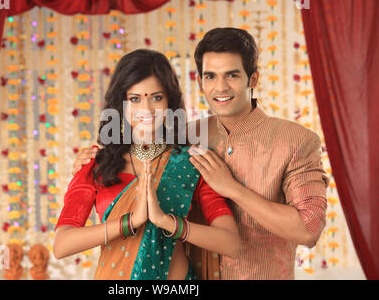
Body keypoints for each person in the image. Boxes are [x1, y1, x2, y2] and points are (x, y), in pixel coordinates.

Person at [73, 28, 329, 280]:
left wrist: (232, 189)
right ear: (200, 82)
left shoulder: (296, 141)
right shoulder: (185, 136)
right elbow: (137, 151)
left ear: (253, 79)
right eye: (210, 76)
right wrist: (94, 159)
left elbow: (308, 230)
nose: (220, 87)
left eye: (232, 75)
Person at [53, 49, 240, 280]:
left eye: (157, 97)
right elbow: (62, 245)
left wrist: (166, 222)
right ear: (120, 104)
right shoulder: (97, 165)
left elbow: (231, 243)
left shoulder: (192, 162)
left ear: (170, 101)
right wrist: (130, 222)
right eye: (135, 99)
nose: (147, 109)